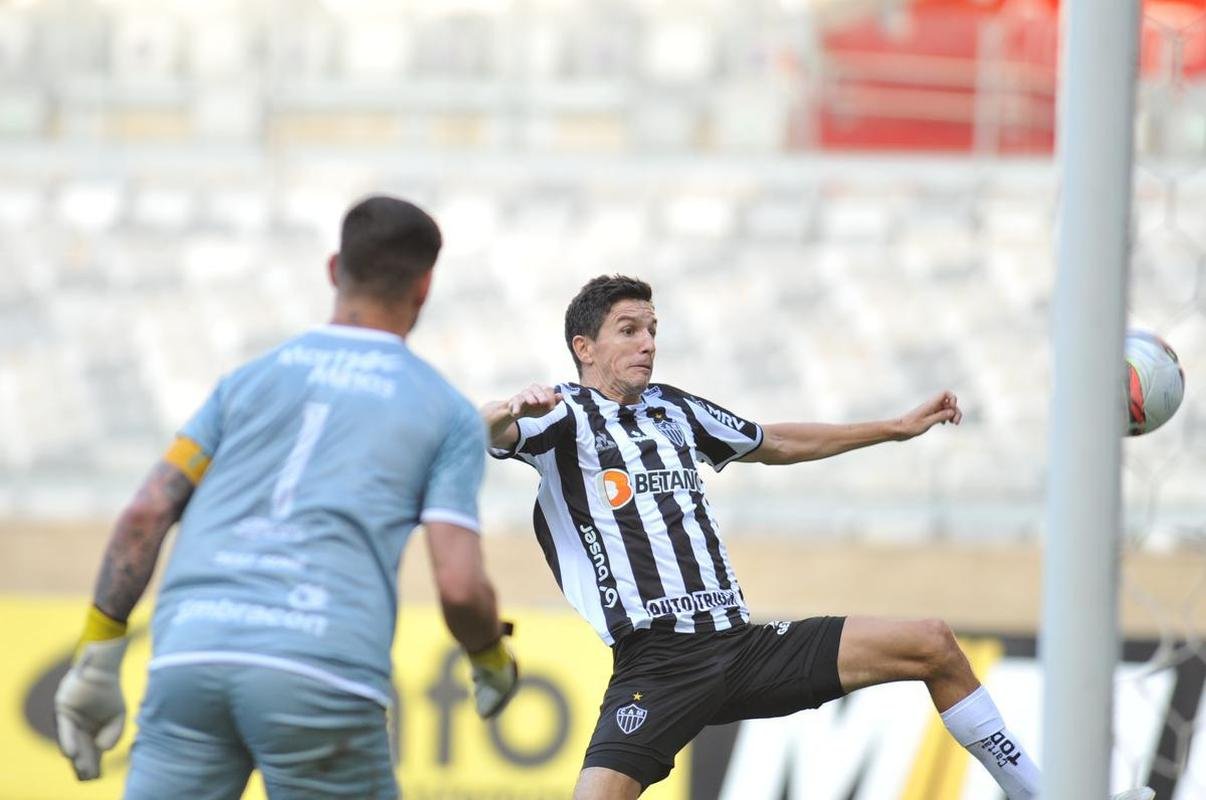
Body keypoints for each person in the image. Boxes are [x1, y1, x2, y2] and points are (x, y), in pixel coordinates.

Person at [481, 274, 1154, 800]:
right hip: (658, 665)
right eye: (629, 330)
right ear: (584, 348)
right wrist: (509, 407)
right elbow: (486, 432)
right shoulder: (561, 420)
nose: (648, 343)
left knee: (932, 643)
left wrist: (890, 428)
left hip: (742, 647)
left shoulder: (673, 409)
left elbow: (773, 441)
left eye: (653, 329)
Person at [53, 195, 519, 799]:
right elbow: (459, 587)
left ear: (333, 269)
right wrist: (488, 659)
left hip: (191, 655)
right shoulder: (447, 414)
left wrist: (98, 651)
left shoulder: (244, 383)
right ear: (425, 287)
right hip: (320, 669)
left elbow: (146, 513)